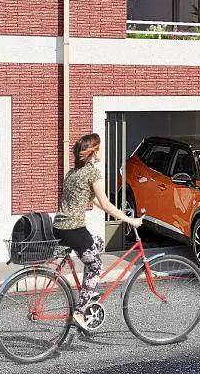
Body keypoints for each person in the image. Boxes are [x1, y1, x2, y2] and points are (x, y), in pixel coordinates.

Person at [53, 132, 142, 332]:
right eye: (100, 147)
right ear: (94, 151)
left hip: (60, 227)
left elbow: (91, 199)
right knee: (95, 266)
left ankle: (89, 292)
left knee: (98, 242)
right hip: (74, 228)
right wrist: (131, 221)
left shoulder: (73, 172)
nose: (102, 150)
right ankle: (80, 310)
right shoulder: (92, 172)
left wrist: (106, 207)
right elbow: (106, 204)